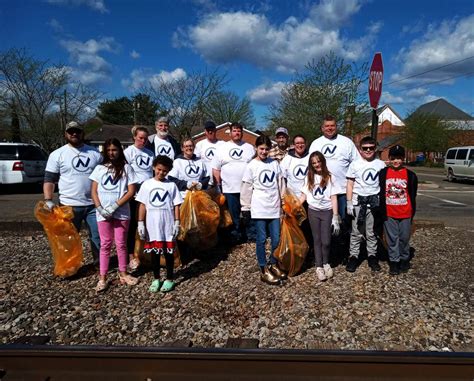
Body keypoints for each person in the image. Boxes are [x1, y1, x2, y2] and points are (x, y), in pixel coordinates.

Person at [43, 121, 102, 267]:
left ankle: (100, 264)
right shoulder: (57, 154)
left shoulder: (95, 153)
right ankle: (69, 267)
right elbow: (49, 179)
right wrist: (48, 199)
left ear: (82, 133)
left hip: (93, 205)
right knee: (68, 239)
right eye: (71, 131)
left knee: (97, 237)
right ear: (66, 134)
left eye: (77, 131)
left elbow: (104, 176)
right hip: (68, 205)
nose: (74, 134)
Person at [308, 115, 360, 264]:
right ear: (322, 128)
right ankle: (326, 254)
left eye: (332, 125)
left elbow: (355, 165)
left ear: (336, 126)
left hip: (343, 191)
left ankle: (342, 253)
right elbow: (310, 167)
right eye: (327, 126)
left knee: (342, 222)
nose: (330, 128)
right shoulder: (316, 143)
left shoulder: (346, 142)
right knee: (325, 223)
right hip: (322, 191)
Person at [90, 138, 139, 292]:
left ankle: (123, 273)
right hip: (103, 214)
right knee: (105, 244)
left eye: (115, 150)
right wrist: (100, 208)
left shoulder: (127, 168)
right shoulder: (99, 168)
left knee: (121, 243)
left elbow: (131, 191)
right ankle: (102, 277)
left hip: (122, 213)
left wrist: (115, 205)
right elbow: (93, 191)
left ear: (120, 150)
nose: (112, 153)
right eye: (109, 150)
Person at [241, 134, 286, 285]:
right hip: (259, 208)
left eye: (266, 149)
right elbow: (246, 187)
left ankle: (273, 263)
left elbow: (281, 184)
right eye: (261, 149)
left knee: (276, 238)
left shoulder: (274, 164)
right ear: (256, 148)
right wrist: (245, 207)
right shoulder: (251, 165)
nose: (264, 152)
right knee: (261, 239)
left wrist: (283, 201)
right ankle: (263, 268)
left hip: (274, 207)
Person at [136, 155, 183, 293]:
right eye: (159, 169)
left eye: (164, 171)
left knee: (168, 253)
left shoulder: (171, 185)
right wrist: (140, 223)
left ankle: (169, 278)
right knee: (155, 253)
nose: (161, 173)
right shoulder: (147, 184)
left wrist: (177, 222)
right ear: (154, 168)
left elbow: (176, 205)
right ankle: (156, 278)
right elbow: (142, 205)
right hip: (152, 225)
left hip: (167, 224)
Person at [345, 136, 386, 273]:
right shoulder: (355, 164)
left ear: (375, 149)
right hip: (358, 203)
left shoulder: (380, 164)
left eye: (371, 148)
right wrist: (349, 202)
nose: (368, 151)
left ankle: (372, 256)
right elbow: (350, 184)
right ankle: (354, 256)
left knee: (372, 232)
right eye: (365, 148)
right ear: (360, 150)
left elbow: (383, 185)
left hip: (374, 204)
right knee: (356, 232)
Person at [299, 151, 340, 281]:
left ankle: (326, 262)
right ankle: (319, 266)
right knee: (316, 240)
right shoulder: (309, 177)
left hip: (327, 211)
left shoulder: (330, 177)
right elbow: (303, 196)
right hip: (313, 211)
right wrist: (293, 207)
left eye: (318, 161)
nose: (317, 164)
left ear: (323, 161)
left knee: (326, 241)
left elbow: (334, 197)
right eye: (314, 163)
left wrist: (335, 216)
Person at [212, 122, 255, 243]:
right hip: (229, 188)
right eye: (234, 130)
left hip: (247, 188)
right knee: (233, 214)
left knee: (248, 213)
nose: (237, 133)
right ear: (230, 133)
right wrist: (218, 186)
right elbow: (216, 169)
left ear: (242, 133)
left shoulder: (249, 147)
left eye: (239, 131)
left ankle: (250, 235)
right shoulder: (222, 148)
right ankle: (236, 236)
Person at [379, 145, 418, 275]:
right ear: (389, 159)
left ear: (403, 159)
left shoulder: (410, 175)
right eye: (394, 158)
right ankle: (394, 262)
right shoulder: (383, 173)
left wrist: (412, 212)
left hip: (405, 212)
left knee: (404, 238)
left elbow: (412, 194)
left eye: (399, 158)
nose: (396, 161)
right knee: (392, 239)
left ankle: (404, 258)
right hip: (389, 212)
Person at [124, 126, 154, 270]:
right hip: (134, 195)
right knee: (133, 226)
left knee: (147, 224)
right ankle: (131, 255)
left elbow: (153, 173)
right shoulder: (128, 152)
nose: (143, 140)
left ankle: (146, 253)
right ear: (134, 137)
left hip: (149, 194)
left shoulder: (150, 153)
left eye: (145, 138)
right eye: (140, 137)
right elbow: (125, 173)